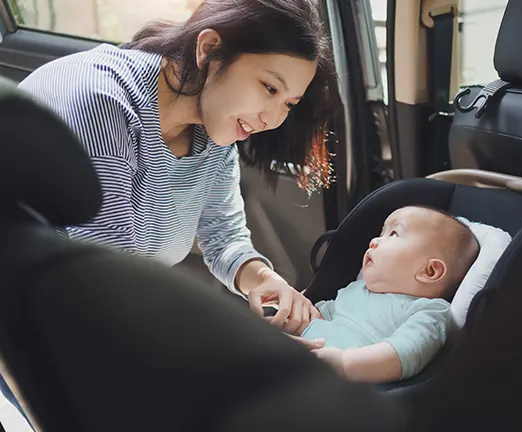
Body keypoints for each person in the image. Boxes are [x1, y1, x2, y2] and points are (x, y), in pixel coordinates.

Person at [16, 0, 340, 335]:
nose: (271, 119)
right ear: (209, 50)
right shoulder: (101, 103)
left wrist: (263, 279)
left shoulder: (214, 131)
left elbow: (223, 237)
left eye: (288, 103)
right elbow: (106, 274)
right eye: (269, 87)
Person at [291, 206, 480, 383]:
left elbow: (405, 352)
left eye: (393, 233)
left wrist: (344, 363)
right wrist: (293, 316)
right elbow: (319, 314)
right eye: (381, 233)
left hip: (337, 381)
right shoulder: (357, 288)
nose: (374, 241)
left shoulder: (429, 311)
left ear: (429, 271)